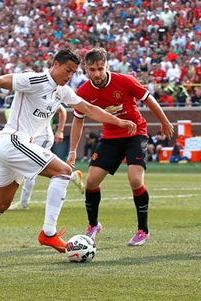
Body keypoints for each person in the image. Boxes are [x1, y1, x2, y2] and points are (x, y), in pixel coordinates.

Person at [0, 48, 136, 259]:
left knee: (0, 204)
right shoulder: (35, 80)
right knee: (64, 171)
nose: (70, 76)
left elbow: (88, 109)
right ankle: (49, 232)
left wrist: (118, 121)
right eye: (67, 70)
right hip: (13, 141)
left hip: (14, 148)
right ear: (55, 65)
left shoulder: (62, 91)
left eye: (74, 72)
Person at [67, 47, 174, 247]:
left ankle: (143, 230)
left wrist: (165, 121)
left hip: (135, 134)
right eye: (92, 70)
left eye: (100, 68)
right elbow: (78, 121)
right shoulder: (83, 92)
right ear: (86, 70)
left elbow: (148, 99)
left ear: (107, 66)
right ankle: (93, 225)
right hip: (110, 137)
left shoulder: (125, 80)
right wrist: (73, 150)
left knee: (135, 180)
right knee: (91, 182)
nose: (97, 73)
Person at [9, 104, 75, 210]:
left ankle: (23, 203)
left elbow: (62, 110)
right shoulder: (25, 100)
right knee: (33, 167)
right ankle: (72, 176)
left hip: (43, 137)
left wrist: (60, 131)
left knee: (31, 167)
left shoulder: (43, 96)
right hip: (32, 137)